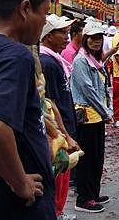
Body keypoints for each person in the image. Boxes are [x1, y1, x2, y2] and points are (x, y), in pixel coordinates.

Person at [0, 0, 55, 220]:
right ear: (25, 9)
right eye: (44, 13)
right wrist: (20, 182)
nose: (45, 21)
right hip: (12, 204)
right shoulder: (14, 55)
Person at [39, 14, 79, 220]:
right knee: (59, 174)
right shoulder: (47, 62)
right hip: (57, 131)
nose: (67, 37)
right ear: (47, 36)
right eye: (62, 33)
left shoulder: (55, 60)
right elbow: (51, 104)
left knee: (63, 175)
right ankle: (56, 213)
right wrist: (64, 134)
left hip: (63, 127)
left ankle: (58, 211)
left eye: (67, 32)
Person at [70, 21, 113, 214]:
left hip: (97, 117)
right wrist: (105, 111)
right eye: (92, 38)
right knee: (87, 160)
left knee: (97, 157)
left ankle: (93, 193)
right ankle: (84, 198)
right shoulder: (81, 61)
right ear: (85, 39)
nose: (96, 42)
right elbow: (88, 90)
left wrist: (105, 110)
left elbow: (102, 87)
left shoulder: (94, 60)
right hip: (87, 116)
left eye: (99, 38)